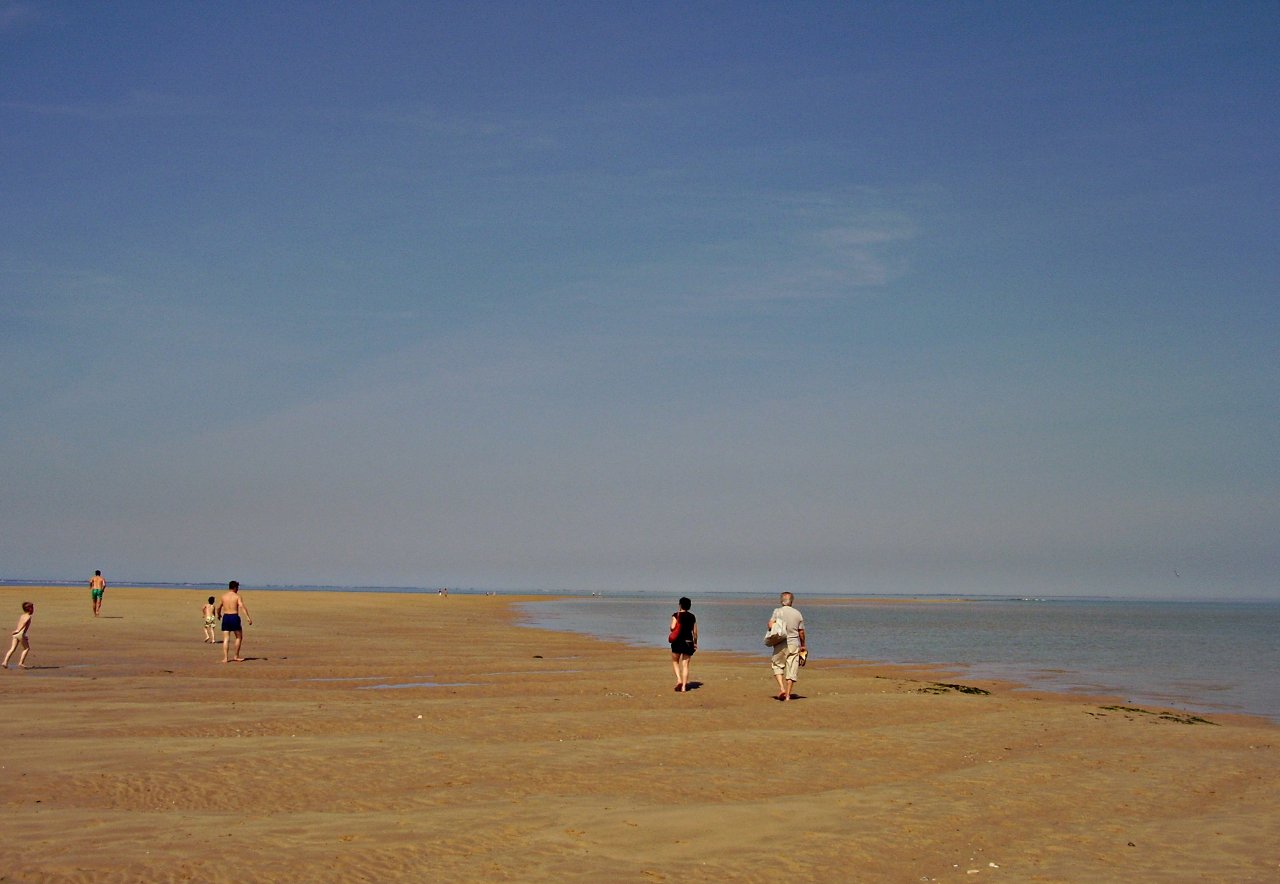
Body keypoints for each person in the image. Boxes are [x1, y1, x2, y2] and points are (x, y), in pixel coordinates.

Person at [767, 592, 806, 701]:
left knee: (777, 665)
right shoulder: (798, 613)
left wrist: (773, 627)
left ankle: (782, 688)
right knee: (792, 670)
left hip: (780, 643)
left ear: (781, 601)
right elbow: (801, 632)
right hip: (794, 644)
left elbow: (770, 625)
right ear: (792, 601)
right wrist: (803, 645)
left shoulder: (777, 611)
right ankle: (788, 695)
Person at [216, 581, 253, 663]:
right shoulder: (237, 596)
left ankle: (225, 658)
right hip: (234, 616)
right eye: (238, 587)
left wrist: (218, 615)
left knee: (226, 639)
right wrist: (248, 617)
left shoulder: (223, 596)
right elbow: (242, 606)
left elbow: (218, 607)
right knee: (239, 637)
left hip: (226, 617)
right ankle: (236, 656)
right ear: (235, 587)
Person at [669, 596, 698, 692]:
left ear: (680, 605)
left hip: (677, 642)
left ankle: (679, 680)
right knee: (685, 665)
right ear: (689, 606)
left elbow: (672, 627)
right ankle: (684, 687)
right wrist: (695, 643)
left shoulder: (676, 615)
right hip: (688, 642)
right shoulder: (692, 616)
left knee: (675, 661)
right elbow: (695, 632)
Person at [3, 602, 34, 670]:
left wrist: (17, 631)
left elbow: (20, 623)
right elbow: (24, 623)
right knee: (26, 648)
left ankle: (5, 662)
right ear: (29, 609)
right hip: (20, 633)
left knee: (12, 649)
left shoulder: (22, 615)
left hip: (16, 634)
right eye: (32, 608)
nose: (33, 610)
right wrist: (19, 631)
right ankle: (21, 663)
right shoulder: (28, 617)